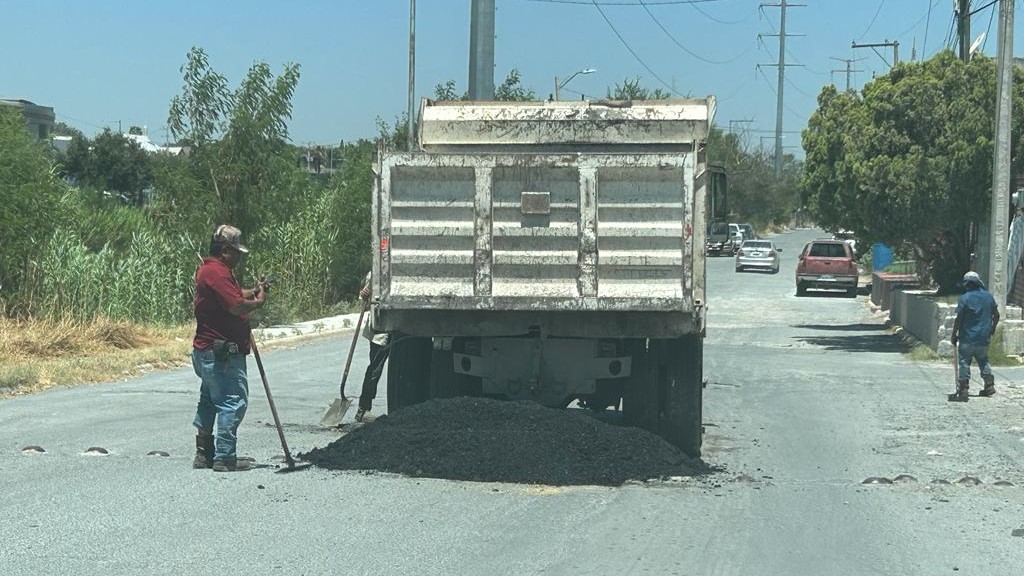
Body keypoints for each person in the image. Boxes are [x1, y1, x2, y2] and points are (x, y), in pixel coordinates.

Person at [191, 224, 269, 471]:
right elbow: (235, 305)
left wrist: (253, 291)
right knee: (232, 401)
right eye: (236, 252)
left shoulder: (212, 270)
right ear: (225, 250)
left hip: (209, 350)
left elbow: (232, 294)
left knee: (209, 400)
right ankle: (224, 457)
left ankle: (204, 453)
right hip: (221, 353)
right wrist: (257, 303)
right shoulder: (217, 272)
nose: (238, 257)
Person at [948, 271, 1000, 402]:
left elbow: (958, 319)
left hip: (967, 336)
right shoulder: (988, 297)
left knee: (964, 361)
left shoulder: (965, 298)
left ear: (967, 284)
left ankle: (964, 388)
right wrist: (992, 329)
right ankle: (989, 385)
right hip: (983, 337)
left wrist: (954, 334)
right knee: (983, 360)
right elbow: (997, 315)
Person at [356, 272, 390, 423]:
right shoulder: (377, 270)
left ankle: (363, 408)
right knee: (375, 369)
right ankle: (363, 409)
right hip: (381, 325)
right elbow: (365, 294)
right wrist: (365, 294)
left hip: (397, 323)